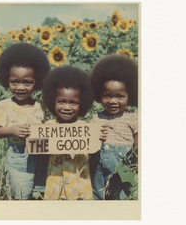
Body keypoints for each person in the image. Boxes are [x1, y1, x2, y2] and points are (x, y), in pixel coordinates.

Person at [0, 43, 50, 200]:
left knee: (40, 191)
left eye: (27, 82)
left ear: (36, 82)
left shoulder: (40, 105)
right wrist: (12, 130)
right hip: (19, 158)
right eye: (14, 82)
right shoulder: (4, 105)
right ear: (7, 80)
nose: (20, 87)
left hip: (41, 155)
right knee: (20, 194)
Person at [40, 66, 104, 200]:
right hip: (55, 179)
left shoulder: (86, 127)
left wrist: (99, 138)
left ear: (82, 103)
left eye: (73, 103)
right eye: (61, 102)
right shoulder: (48, 126)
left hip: (79, 180)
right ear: (53, 101)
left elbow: (92, 150)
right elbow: (40, 151)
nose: (67, 107)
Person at [89, 54, 138, 200]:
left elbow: (138, 143)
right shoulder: (96, 118)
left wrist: (135, 163)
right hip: (98, 168)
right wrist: (95, 137)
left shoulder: (133, 117)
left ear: (130, 96)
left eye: (120, 96)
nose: (113, 101)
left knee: (121, 197)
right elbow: (86, 141)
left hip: (123, 168)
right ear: (99, 95)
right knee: (97, 195)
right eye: (107, 96)